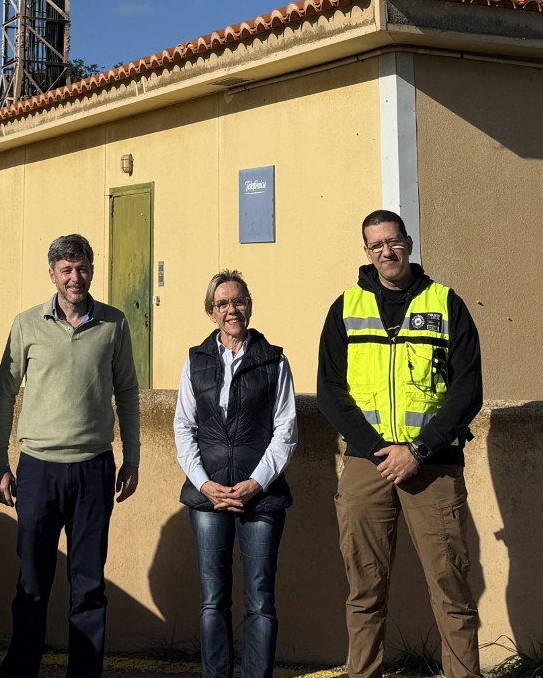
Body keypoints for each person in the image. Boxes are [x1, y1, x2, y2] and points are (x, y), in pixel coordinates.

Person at [315, 210, 484, 678]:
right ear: (366, 253)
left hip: (433, 465)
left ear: (407, 243)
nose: (386, 252)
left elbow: (467, 390)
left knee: (451, 589)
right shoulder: (344, 308)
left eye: (393, 242)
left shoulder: (446, 303)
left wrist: (418, 451)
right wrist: (378, 450)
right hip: (369, 466)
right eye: (376, 246)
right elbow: (330, 391)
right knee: (365, 591)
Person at [0, 232, 142, 678]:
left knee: (89, 587)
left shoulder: (113, 323)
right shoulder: (26, 324)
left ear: (92, 270)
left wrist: (131, 458)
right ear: (52, 274)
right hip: (37, 471)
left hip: (95, 469)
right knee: (32, 584)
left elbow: (128, 391)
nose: (75, 277)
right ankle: (21, 671)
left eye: (82, 268)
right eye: (66, 269)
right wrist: (0, 464)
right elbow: (3, 394)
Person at [172, 271, 297, 678]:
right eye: (222, 303)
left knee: (260, 599)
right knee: (213, 599)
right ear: (211, 312)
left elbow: (286, 431)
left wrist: (255, 483)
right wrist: (204, 484)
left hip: (260, 497)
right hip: (207, 498)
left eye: (238, 301)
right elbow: (184, 427)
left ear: (250, 305)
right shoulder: (196, 360)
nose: (232, 310)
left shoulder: (274, 359)